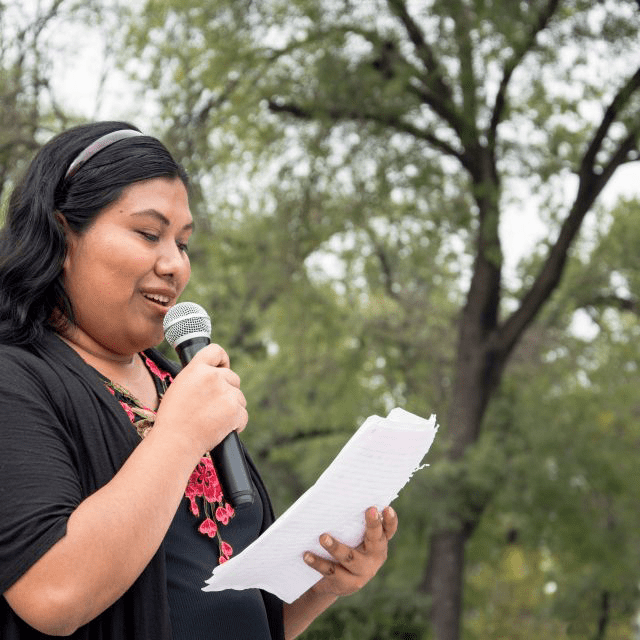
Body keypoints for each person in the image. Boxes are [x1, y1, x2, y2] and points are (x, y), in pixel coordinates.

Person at [0, 121, 398, 639]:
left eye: (183, 244)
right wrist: (181, 436)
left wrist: (324, 583)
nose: (174, 266)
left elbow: (230, 610)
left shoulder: (178, 383)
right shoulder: (16, 378)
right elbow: (51, 593)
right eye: (148, 234)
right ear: (63, 236)